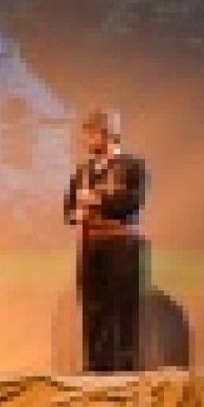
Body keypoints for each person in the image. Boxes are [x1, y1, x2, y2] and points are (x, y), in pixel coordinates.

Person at [64, 109, 147, 372]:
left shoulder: (133, 166)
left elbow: (133, 201)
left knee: (120, 306)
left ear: (107, 134)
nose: (86, 140)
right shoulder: (82, 171)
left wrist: (98, 200)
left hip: (121, 245)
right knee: (92, 306)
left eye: (91, 134)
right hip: (91, 245)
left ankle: (124, 371)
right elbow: (68, 208)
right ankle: (95, 369)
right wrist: (75, 213)